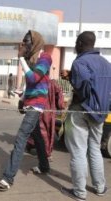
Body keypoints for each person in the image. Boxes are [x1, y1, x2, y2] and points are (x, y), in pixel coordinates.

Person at [0, 30, 52, 191]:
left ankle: (7, 178)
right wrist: (22, 98)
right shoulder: (30, 59)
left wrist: (20, 59)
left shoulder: (45, 58)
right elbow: (30, 84)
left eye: (26, 42)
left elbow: (34, 78)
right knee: (37, 136)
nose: (23, 45)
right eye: (23, 42)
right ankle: (44, 166)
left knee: (21, 138)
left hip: (37, 105)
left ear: (35, 42)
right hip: (30, 103)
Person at [60, 31, 110, 200]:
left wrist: (73, 79)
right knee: (95, 149)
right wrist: (71, 78)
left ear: (80, 43)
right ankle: (100, 188)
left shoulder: (79, 62)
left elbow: (84, 86)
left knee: (79, 151)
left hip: (81, 110)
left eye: (76, 42)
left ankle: (80, 192)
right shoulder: (106, 63)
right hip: (100, 112)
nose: (75, 45)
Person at [26, 79, 65, 161]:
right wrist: (60, 106)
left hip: (40, 111)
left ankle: (44, 154)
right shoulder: (53, 83)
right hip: (50, 112)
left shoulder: (37, 81)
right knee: (49, 132)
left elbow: (29, 95)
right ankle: (47, 153)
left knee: (41, 132)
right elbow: (60, 97)